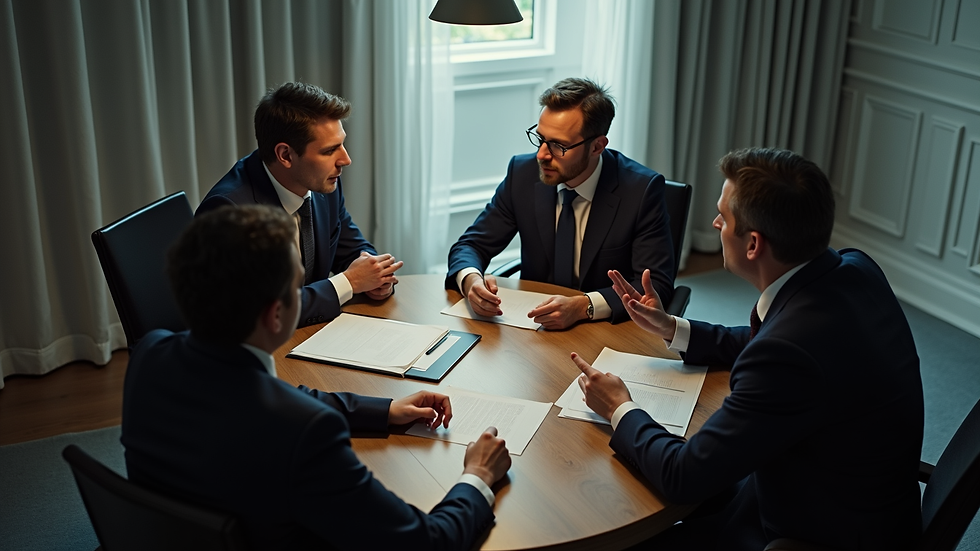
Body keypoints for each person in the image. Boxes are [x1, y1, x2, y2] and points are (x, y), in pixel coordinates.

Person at [572, 147, 924, 550]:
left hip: (812, 531)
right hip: (864, 495)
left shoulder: (787, 354)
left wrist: (619, 407)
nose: (715, 223)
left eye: (723, 216)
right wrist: (673, 328)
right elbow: (776, 342)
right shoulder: (852, 267)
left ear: (753, 244)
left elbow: (683, 476)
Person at [121, 204, 511, 550]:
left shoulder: (150, 355)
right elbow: (425, 542)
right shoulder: (305, 434)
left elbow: (269, 400)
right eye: (298, 287)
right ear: (276, 315)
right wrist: (476, 477)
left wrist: (385, 410)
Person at [446, 77, 675, 330]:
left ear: (597, 146)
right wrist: (471, 281)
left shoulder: (640, 191)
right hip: (533, 326)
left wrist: (584, 306)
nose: (541, 155)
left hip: (604, 329)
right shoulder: (522, 174)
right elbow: (471, 245)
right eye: (540, 138)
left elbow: (656, 285)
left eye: (558, 145)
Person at [198, 82, 401, 327]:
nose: (345, 159)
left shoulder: (322, 183)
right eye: (330, 151)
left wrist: (377, 276)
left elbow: (350, 247)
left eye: (342, 144)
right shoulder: (228, 212)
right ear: (285, 155)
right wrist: (350, 282)